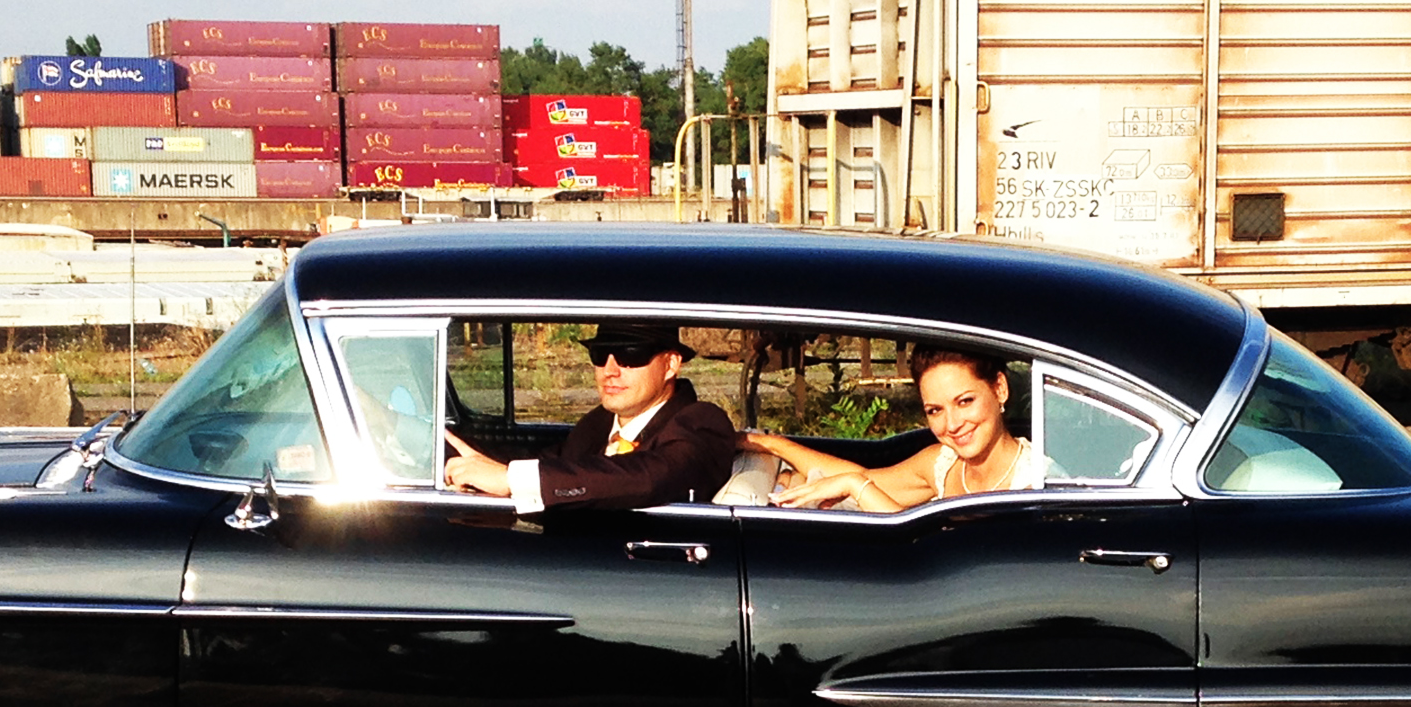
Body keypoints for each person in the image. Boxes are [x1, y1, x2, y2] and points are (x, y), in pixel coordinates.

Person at [441, 319, 738, 513]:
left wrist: (510, 479)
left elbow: (648, 477)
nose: (609, 370)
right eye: (600, 354)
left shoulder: (701, 421)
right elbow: (552, 462)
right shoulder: (598, 423)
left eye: (630, 355)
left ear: (671, 364)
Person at [742, 347, 1044, 512]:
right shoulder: (944, 461)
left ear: (1000, 389)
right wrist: (772, 446)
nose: (952, 425)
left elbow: (940, 556)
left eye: (965, 401)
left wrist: (854, 487)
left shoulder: (1035, 486)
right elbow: (866, 478)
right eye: (935, 410)